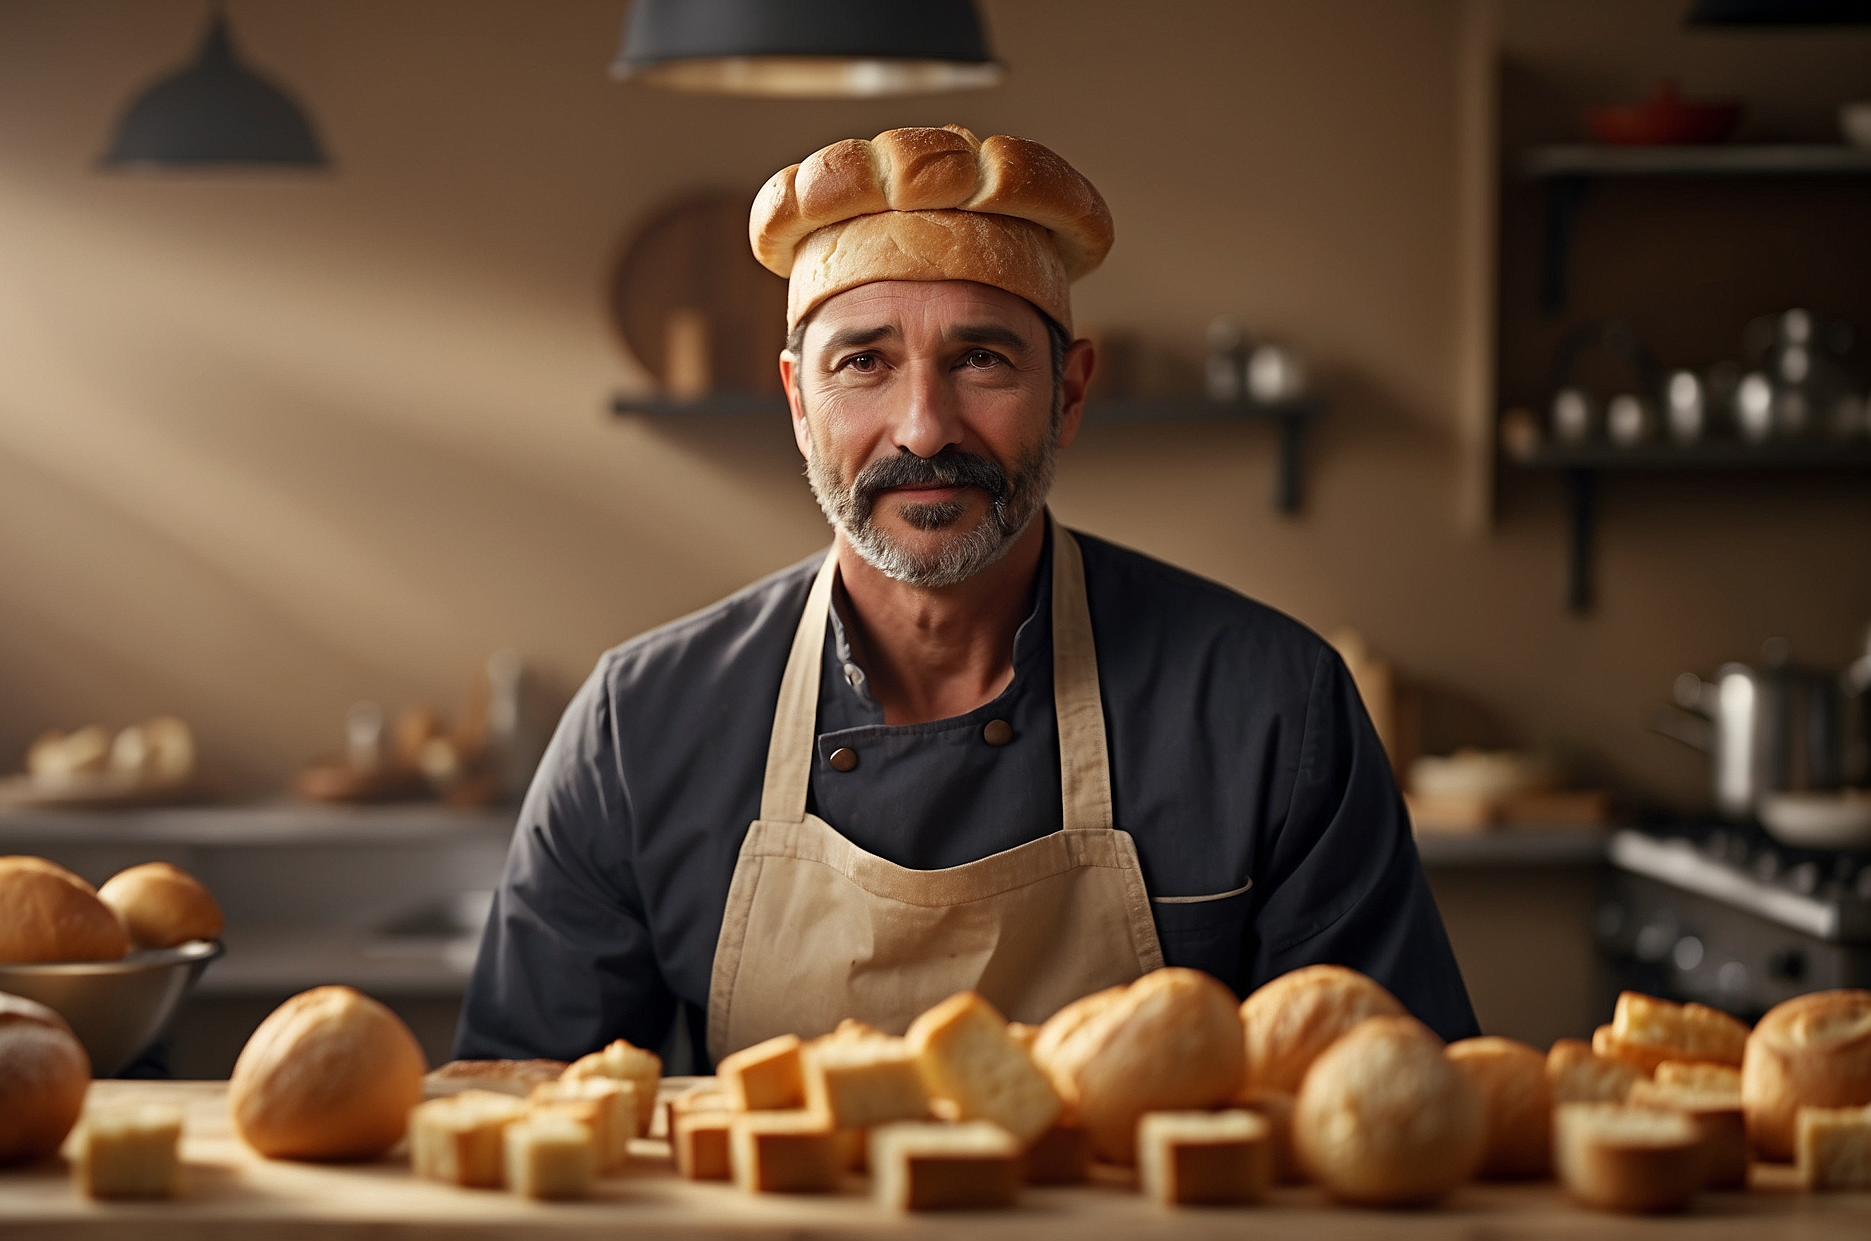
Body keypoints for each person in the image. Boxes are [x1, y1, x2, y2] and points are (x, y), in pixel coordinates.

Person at [457, 125, 1474, 1070]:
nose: (923, 428)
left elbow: (1385, 1107)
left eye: (979, 358)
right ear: (797, 403)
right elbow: (522, 1113)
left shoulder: (1273, 707)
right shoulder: (637, 725)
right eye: (862, 362)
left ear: (1069, 390)